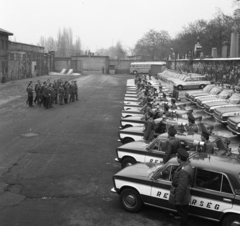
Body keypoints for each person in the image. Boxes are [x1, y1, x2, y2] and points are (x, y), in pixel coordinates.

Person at [170, 148, 194, 226]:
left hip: (182, 197)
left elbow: (181, 187)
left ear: (179, 158)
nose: (177, 158)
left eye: (177, 157)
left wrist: (178, 200)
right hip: (184, 194)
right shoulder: (187, 165)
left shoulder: (184, 171)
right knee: (182, 211)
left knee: (183, 212)